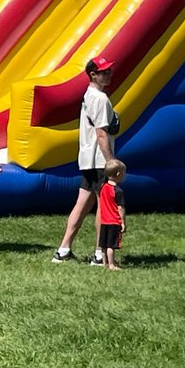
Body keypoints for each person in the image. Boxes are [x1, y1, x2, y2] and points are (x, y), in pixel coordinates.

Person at [53, 55, 118, 265]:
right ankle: (99, 253)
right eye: (104, 72)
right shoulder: (100, 99)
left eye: (109, 71)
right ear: (93, 75)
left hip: (87, 158)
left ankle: (63, 250)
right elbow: (101, 133)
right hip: (99, 160)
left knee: (82, 204)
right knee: (104, 206)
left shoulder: (88, 95)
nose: (108, 75)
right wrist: (110, 162)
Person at [97, 159, 127, 270]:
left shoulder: (103, 187)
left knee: (103, 245)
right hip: (113, 221)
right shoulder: (118, 191)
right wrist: (122, 221)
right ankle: (111, 264)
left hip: (104, 221)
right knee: (111, 245)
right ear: (118, 174)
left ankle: (105, 263)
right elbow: (120, 207)